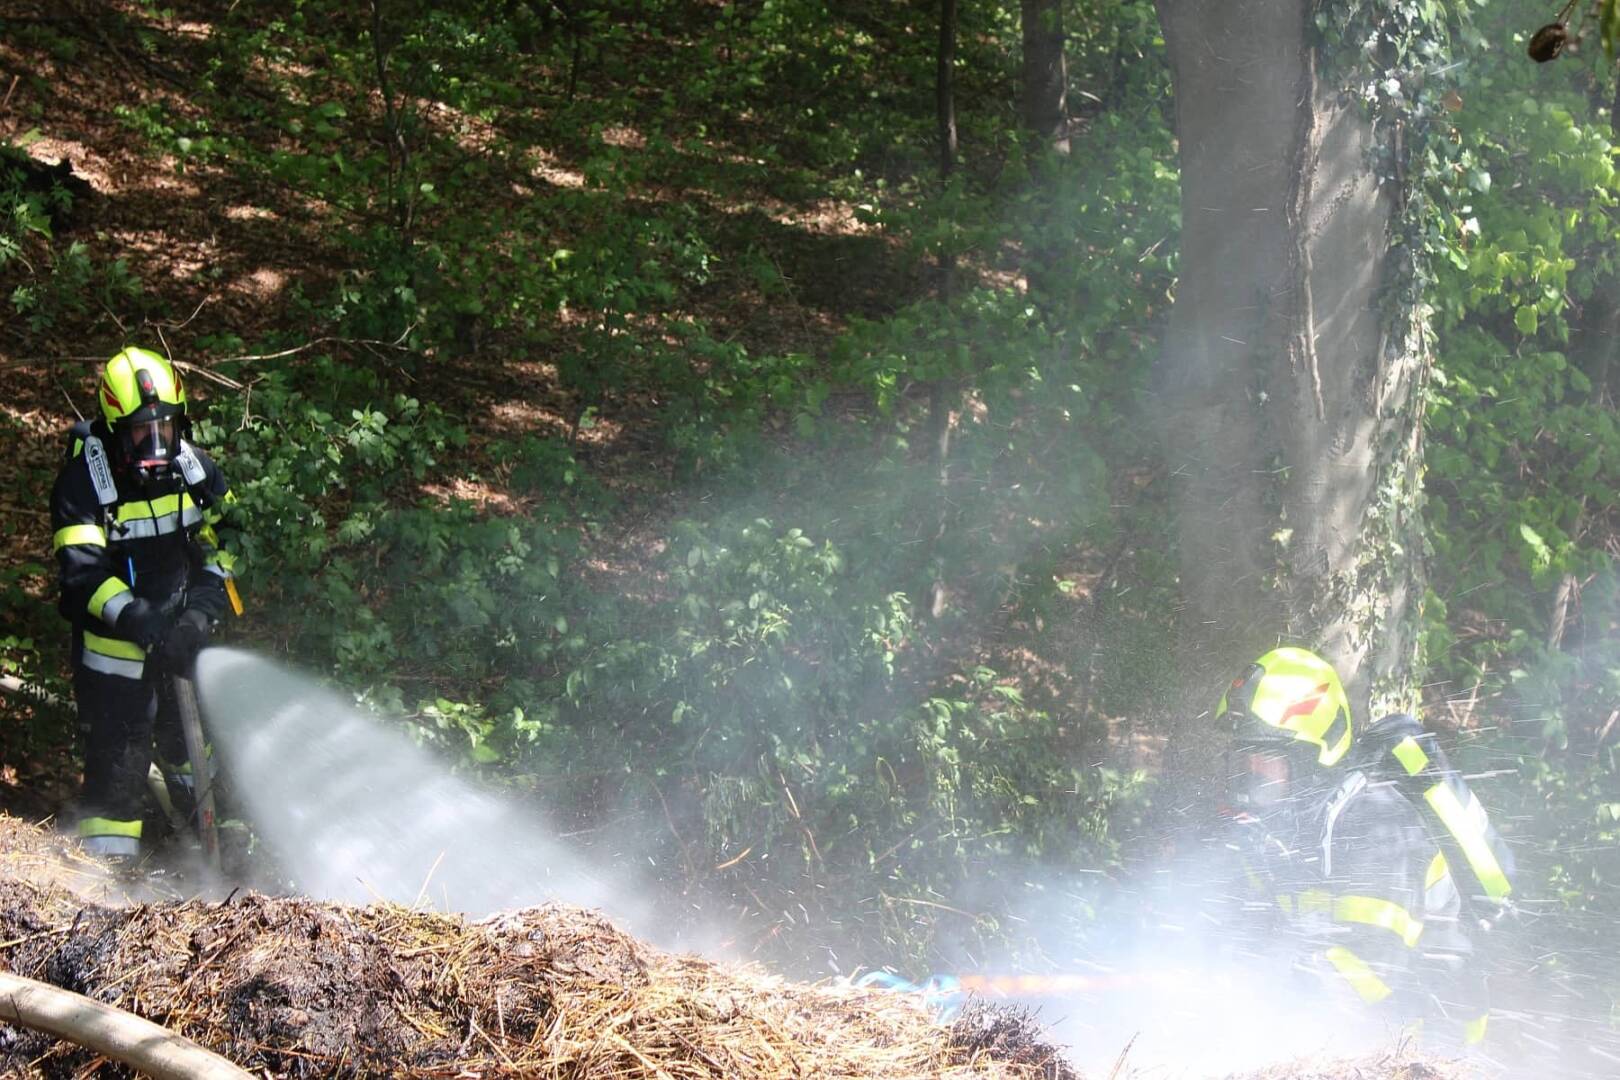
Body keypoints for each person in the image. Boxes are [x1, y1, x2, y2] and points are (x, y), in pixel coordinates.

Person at [1213, 646, 1516, 1049]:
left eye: (1266, 755)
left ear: (1309, 756)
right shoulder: (1288, 831)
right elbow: (1254, 931)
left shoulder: (1376, 823)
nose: (1252, 770)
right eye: (1246, 754)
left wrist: (1262, 981)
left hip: (1435, 1045)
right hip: (1347, 1042)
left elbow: (1373, 982)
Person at [49, 346, 238, 861]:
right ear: (114, 429)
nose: (157, 443)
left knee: (193, 756)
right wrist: (138, 619)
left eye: (167, 428)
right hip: (114, 659)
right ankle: (106, 886)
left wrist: (199, 614)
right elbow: (83, 574)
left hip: (180, 645)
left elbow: (227, 545)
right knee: (119, 769)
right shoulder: (83, 484)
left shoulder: (194, 471)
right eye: (140, 431)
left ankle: (210, 857)